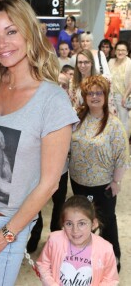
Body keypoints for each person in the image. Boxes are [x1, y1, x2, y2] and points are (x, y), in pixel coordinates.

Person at [0, 0, 78, 286]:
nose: (2, 44)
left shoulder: (52, 101)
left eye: (11, 31)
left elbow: (50, 183)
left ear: (29, 33)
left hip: (5, 223)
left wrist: (7, 233)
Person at [69, 75, 129, 272]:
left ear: (105, 95)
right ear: (84, 96)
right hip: (78, 181)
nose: (94, 96)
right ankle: (85, 259)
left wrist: (116, 182)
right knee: (82, 222)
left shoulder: (113, 124)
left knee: (107, 221)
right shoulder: (77, 118)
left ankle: (113, 259)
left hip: (102, 185)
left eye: (98, 92)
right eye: (90, 93)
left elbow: (122, 156)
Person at [37, 195, 119, 285]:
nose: (75, 230)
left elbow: (110, 279)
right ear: (62, 224)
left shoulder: (105, 249)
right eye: (69, 224)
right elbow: (43, 265)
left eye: (82, 223)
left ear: (94, 224)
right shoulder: (54, 240)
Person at [108, 40, 131, 136]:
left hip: (123, 96)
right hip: (110, 96)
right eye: (118, 50)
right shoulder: (111, 61)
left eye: (123, 50)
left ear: (127, 52)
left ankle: (123, 143)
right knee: (111, 120)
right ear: (115, 51)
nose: (120, 52)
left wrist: (125, 96)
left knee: (123, 121)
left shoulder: (129, 63)